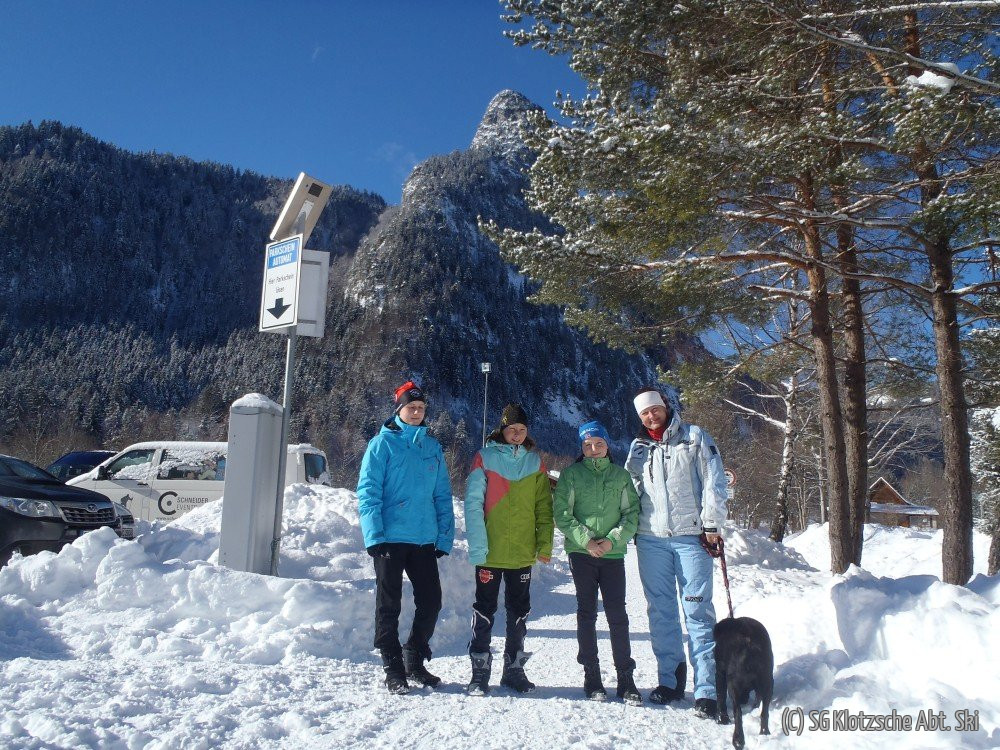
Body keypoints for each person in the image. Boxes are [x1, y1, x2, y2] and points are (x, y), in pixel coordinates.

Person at [624, 387, 729, 719]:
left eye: (655, 409)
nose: (651, 416)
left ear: (665, 407)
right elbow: (629, 491)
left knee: (697, 612)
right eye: (644, 413)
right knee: (661, 611)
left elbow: (714, 481)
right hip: (650, 539)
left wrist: (712, 525)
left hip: (691, 538)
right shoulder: (638, 447)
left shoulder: (694, 437)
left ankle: (707, 690)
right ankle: (670, 680)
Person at [357, 381, 455, 695]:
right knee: (389, 604)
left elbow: (442, 494)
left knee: (432, 601)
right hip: (390, 538)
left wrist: (445, 536)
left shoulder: (432, 447)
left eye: (421, 408)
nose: (416, 412)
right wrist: (374, 535)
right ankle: (393, 667)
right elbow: (368, 491)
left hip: (423, 538)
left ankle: (414, 655)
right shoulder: (382, 444)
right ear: (399, 409)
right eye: (411, 407)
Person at [464, 404, 553, 696]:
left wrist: (544, 544)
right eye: (512, 429)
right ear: (502, 430)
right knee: (484, 610)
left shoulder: (535, 463)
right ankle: (480, 671)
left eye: (522, 429)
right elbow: (473, 504)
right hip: (491, 551)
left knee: (519, 612)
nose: (516, 434)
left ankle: (514, 669)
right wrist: (478, 546)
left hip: (522, 552)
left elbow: (544, 507)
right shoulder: (485, 457)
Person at [554, 420, 642, 705]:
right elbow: (563, 514)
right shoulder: (571, 475)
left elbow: (631, 513)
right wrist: (587, 541)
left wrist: (612, 541)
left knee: (617, 615)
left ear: (607, 445)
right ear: (582, 447)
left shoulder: (620, 476)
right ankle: (591, 675)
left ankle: (625, 678)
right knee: (587, 613)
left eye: (599, 444)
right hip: (582, 554)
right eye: (588, 445)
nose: (594, 449)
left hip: (612, 555)